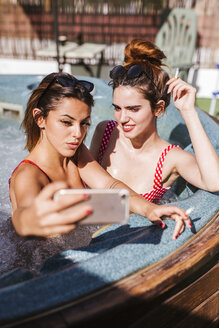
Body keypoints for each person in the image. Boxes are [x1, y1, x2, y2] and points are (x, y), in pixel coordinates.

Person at [9, 72, 191, 241]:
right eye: (66, 122)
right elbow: (22, 217)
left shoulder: (75, 154)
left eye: (84, 123)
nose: (77, 134)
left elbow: (108, 185)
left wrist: (150, 209)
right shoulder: (29, 174)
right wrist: (29, 220)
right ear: (40, 118)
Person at [90, 39, 219, 211]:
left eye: (133, 109)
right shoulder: (106, 131)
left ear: (158, 108)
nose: (122, 118)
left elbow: (214, 181)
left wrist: (188, 111)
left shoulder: (170, 158)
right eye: (117, 108)